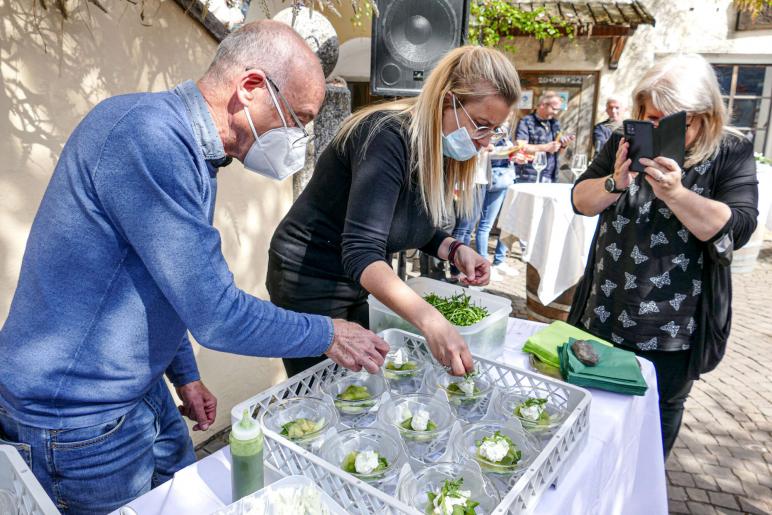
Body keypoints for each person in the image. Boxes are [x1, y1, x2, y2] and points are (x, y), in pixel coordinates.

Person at [0, 21, 388, 515]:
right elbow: (217, 315)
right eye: (297, 119)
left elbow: (161, 281)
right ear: (250, 88)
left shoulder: (192, 150)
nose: (297, 139)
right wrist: (330, 334)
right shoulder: (150, 138)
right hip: (80, 421)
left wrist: (183, 373)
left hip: (139, 392)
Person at [268, 45, 522, 378]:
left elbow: (411, 223)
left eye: (494, 130)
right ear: (448, 101)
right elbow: (362, 250)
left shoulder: (437, 146)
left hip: (358, 282)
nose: (485, 142)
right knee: (327, 391)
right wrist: (431, 320)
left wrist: (456, 250)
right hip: (308, 279)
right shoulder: (386, 135)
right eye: (482, 125)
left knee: (362, 381)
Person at [569, 54, 758, 458]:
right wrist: (614, 182)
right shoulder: (624, 138)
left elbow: (738, 228)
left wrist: (675, 193)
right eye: (649, 116)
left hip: (675, 327)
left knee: (661, 411)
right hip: (606, 308)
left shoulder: (730, 151)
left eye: (670, 121)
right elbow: (581, 201)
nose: (655, 128)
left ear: (703, 117)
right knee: (593, 404)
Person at [515, 90, 574, 183]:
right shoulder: (526, 121)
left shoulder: (555, 123)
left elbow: (558, 153)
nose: (556, 112)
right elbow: (520, 147)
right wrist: (546, 147)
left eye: (558, 109)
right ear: (543, 105)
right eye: (554, 109)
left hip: (551, 176)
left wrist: (563, 145)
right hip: (529, 176)